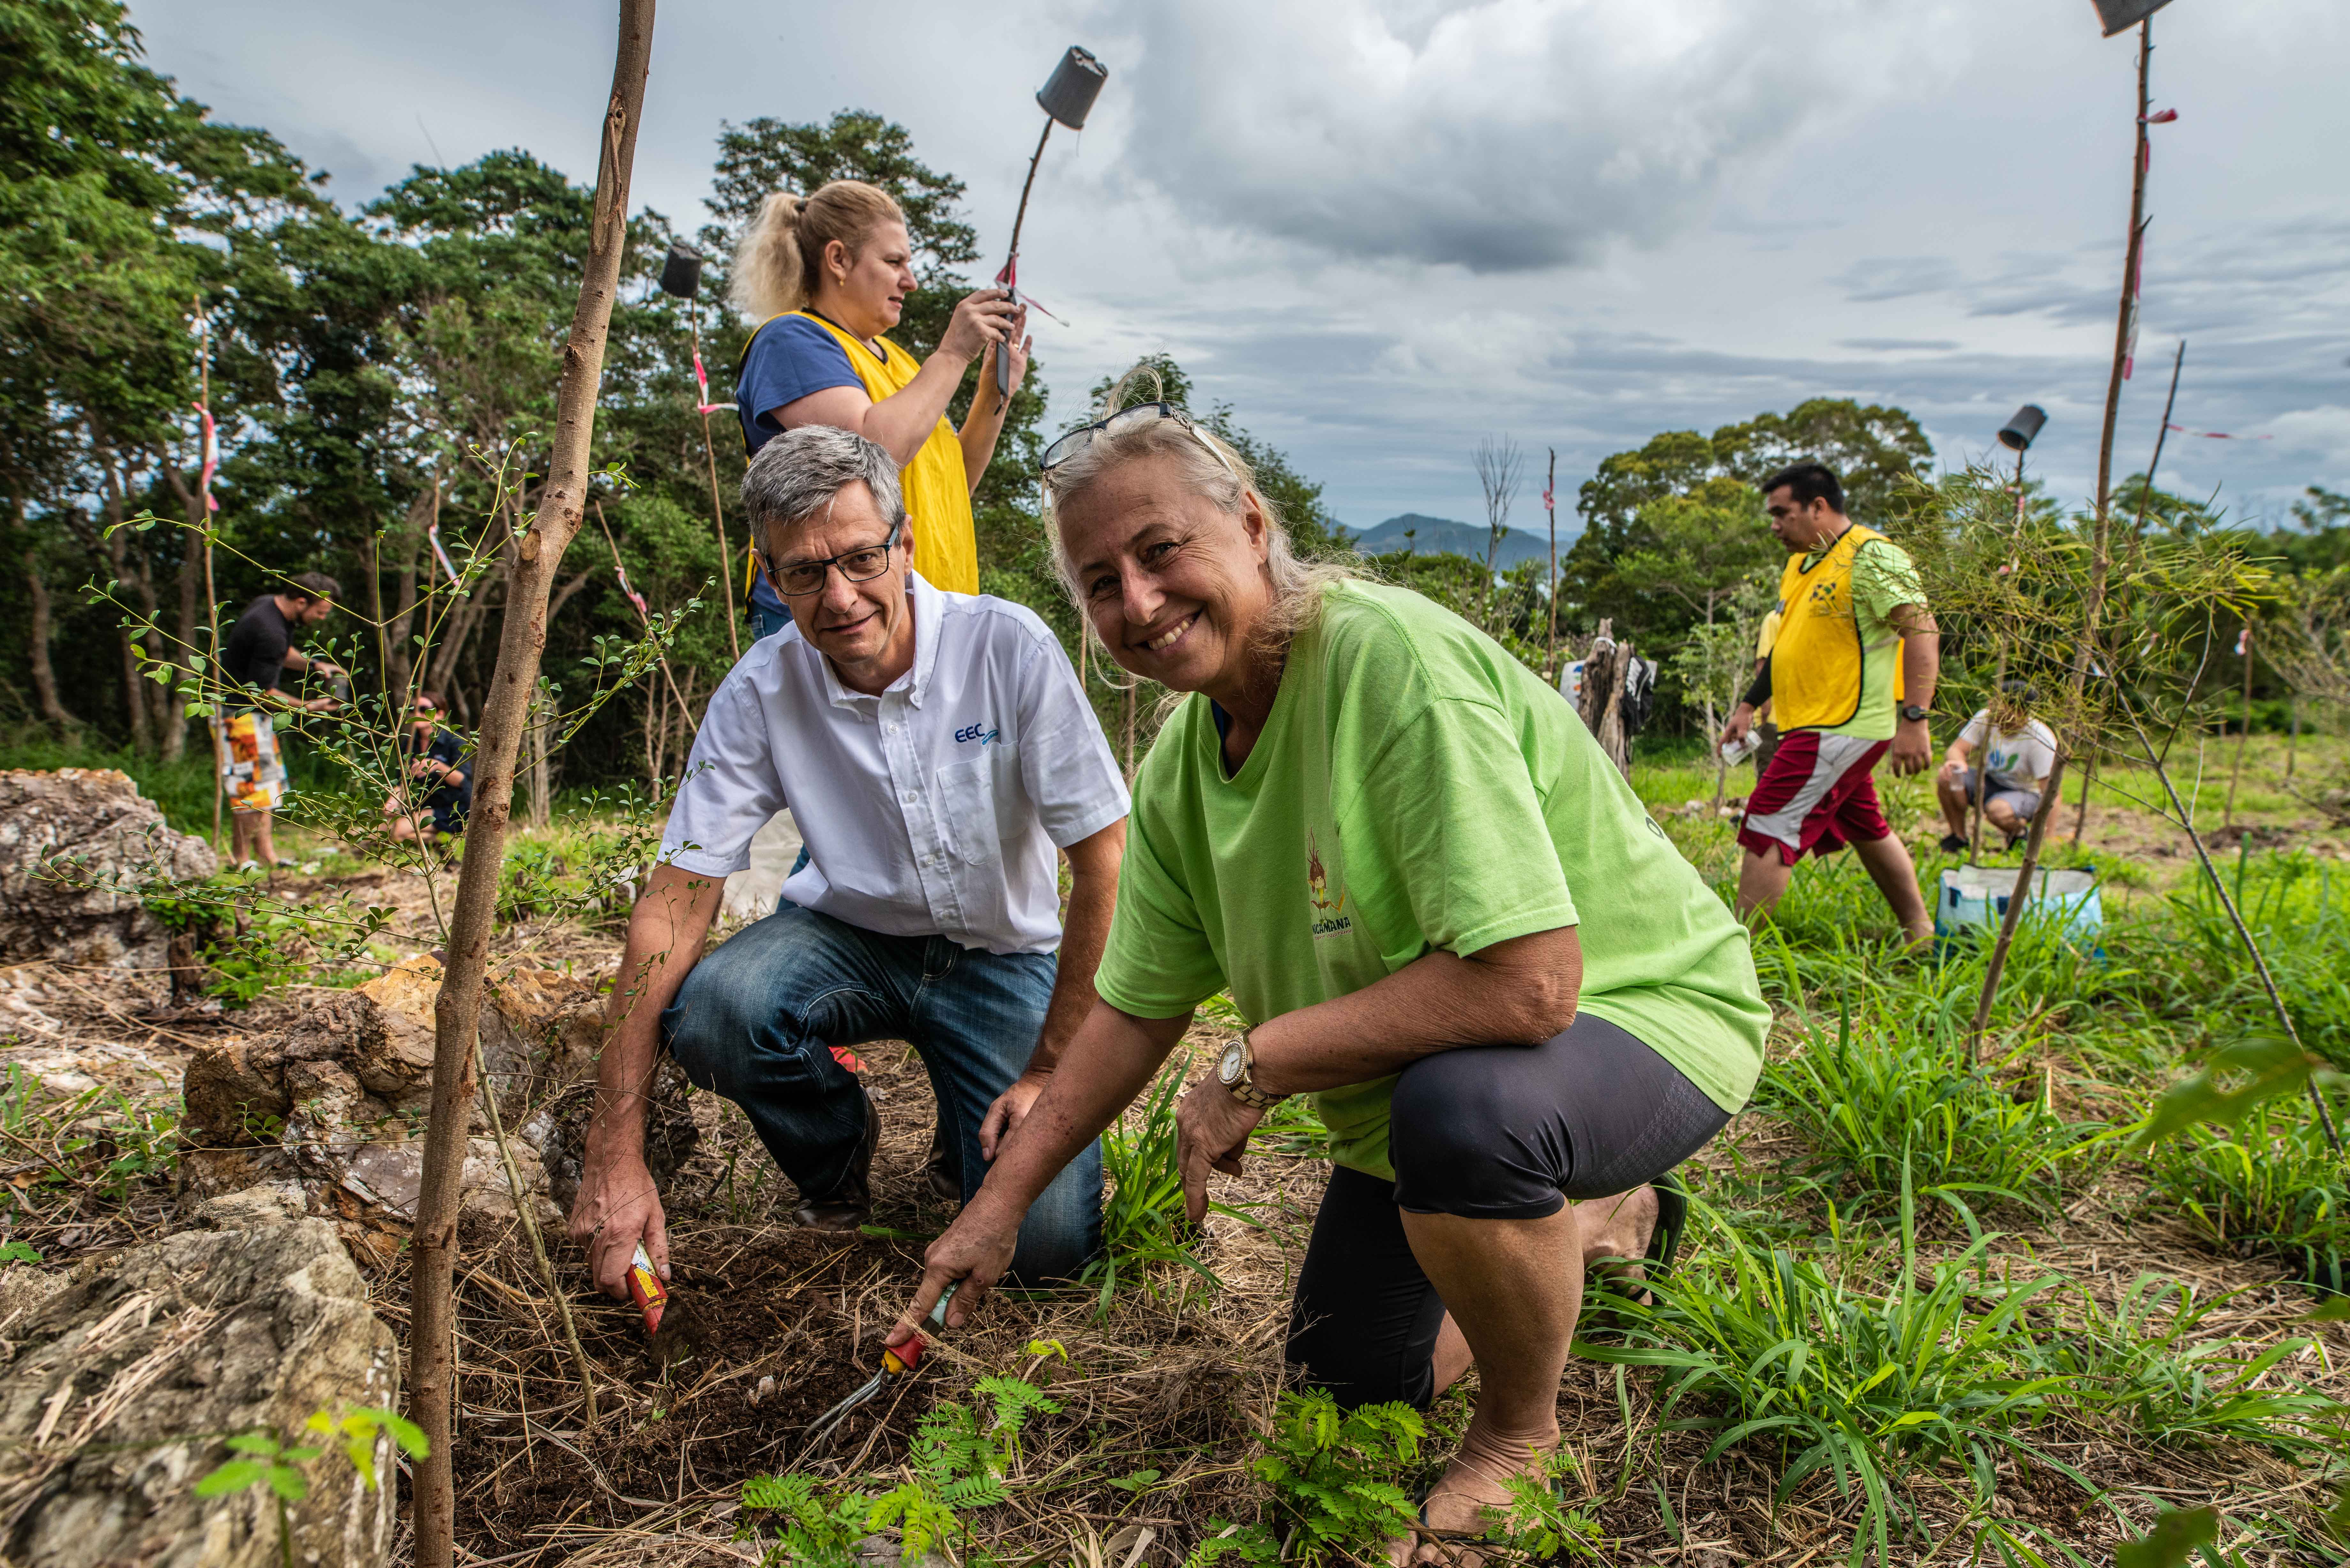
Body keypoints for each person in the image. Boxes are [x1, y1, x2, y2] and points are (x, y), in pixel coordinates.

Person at [887, 379, 1769, 1564]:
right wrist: (992, 1214)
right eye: (1103, 583)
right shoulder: (1180, 777)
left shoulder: (1381, 656)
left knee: (1466, 1119)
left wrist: (1261, 1060)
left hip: (1637, 1014)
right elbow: (1128, 1015)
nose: (1140, 602)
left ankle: (1520, 1437)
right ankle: (1599, 1219)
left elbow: (1530, 987)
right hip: (1445, 1090)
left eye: (1162, 551)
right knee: (1346, 1391)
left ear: (1250, 524)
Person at [565, 426, 1128, 1302]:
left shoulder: (1006, 647)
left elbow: (1106, 863)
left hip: (1005, 959)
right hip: (849, 940)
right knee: (716, 1010)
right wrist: (614, 1150)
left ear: (905, 545)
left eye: (863, 558)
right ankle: (835, 1159)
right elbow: (672, 905)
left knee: (1045, 1256)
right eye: (803, 572)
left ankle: (966, 1121)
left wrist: (1051, 1070)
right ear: (771, 576)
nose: (839, 597)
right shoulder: (760, 691)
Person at [731, 179, 1030, 641]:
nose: (910, 281)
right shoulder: (791, 339)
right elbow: (870, 460)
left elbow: (952, 482)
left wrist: (993, 394)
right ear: (839, 260)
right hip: (835, 616)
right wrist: (952, 355)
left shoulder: (905, 364)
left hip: (923, 619)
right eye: (894, 262)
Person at [1719, 463, 1940, 946]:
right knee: (1866, 827)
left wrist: (1915, 718)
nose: (1774, 525)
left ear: (1818, 506)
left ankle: (1733, 957)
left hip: (1843, 724)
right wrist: (1748, 706)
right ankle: (1920, 932)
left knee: (1769, 822)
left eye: (1782, 513)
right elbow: (1789, 646)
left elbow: (1920, 629)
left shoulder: (1873, 557)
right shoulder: (1801, 564)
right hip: (1809, 724)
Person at [216, 572, 343, 869]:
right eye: (320, 612)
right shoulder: (268, 630)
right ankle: (241, 861)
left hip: (255, 715)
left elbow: (282, 654)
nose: (323, 618)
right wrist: (309, 707)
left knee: (269, 787)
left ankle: (268, 856)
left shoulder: (269, 607)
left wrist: (314, 666)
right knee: (250, 789)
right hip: (239, 715)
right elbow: (263, 693)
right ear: (302, 601)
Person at [1936, 683, 2057, 853]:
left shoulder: (2040, 738)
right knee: (1947, 775)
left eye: (1998, 703)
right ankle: (1959, 837)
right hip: (1989, 781)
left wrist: (2049, 838)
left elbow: (2052, 792)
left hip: (2024, 792)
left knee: (1998, 810)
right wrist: (1959, 767)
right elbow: (1956, 750)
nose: (1991, 706)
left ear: (2019, 711)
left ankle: (2020, 833)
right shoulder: (1985, 719)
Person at [384, 690, 471, 846]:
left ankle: (446, 841)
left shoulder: (455, 742)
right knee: (382, 830)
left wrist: (437, 766)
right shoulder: (409, 744)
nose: (418, 713)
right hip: (423, 806)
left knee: (397, 832)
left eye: (424, 710)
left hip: (452, 808)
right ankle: (441, 841)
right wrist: (393, 802)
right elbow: (402, 781)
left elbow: (463, 781)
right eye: (413, 710)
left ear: (440, 715)